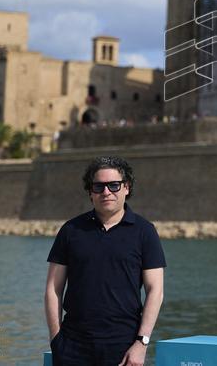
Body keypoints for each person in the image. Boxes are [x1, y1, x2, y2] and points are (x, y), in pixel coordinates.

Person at [45, 156, 166, 366]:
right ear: (90, 192)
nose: (106, 192)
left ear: (126, 188)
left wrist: (141, 343)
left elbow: (156, 290)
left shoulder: (144, 231)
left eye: (114, 185)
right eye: (99, 186)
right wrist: (56, 339)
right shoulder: (71, 230)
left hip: (123, 346)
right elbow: (53, 289)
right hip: (72, 346)